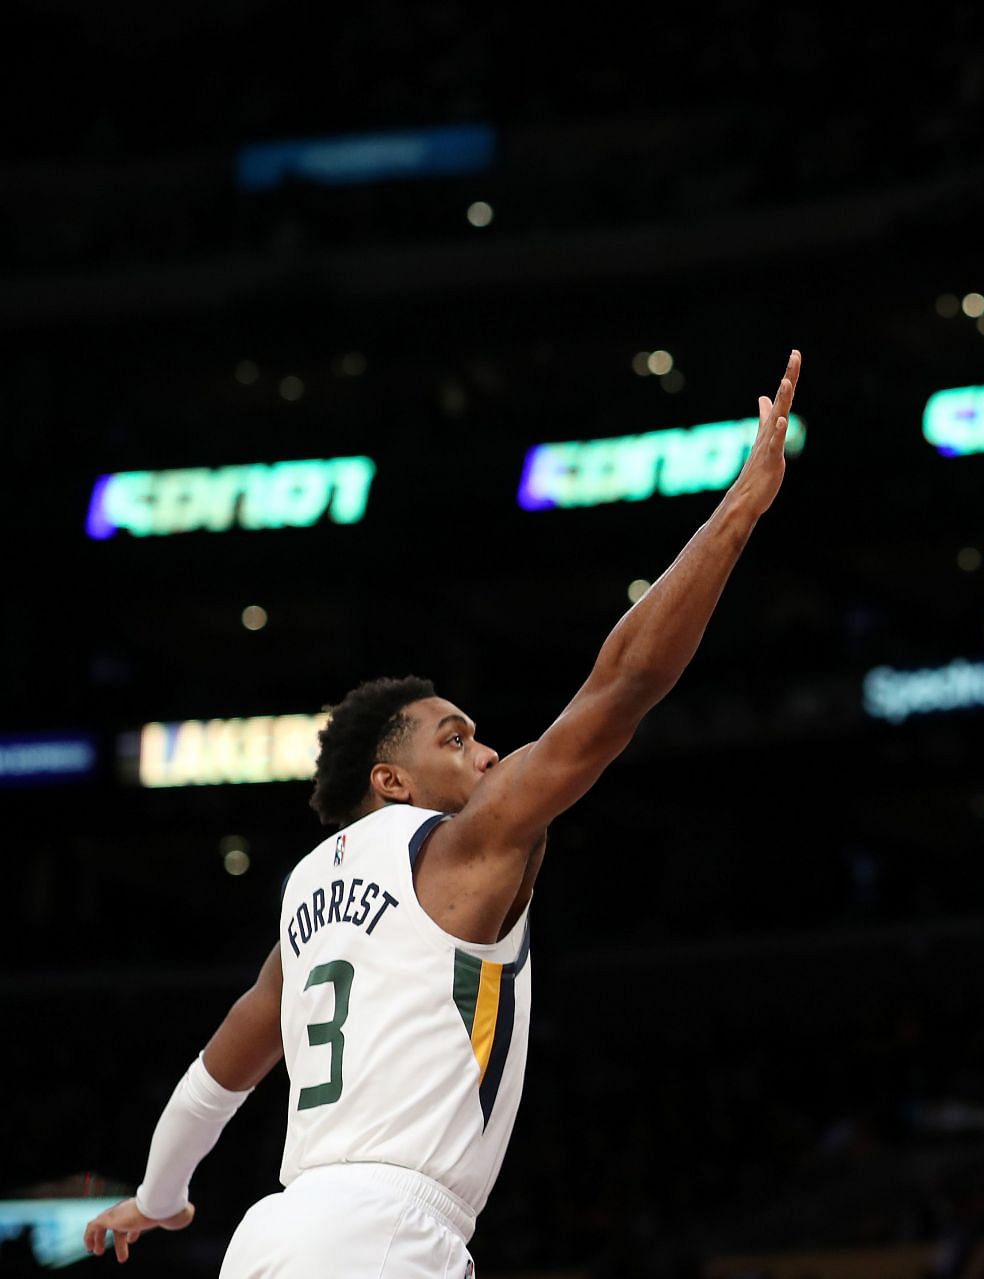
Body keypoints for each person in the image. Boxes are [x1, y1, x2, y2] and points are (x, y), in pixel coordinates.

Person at [83, 353, 804, 1276]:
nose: (490, 754)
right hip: (385, 1232)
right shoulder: (460, 844)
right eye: (455, 738)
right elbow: (625, 682)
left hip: (272, 1233)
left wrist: (158, 1197)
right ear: (390, 779)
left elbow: (213, 1080)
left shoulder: (303, 906)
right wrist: (743, 505)